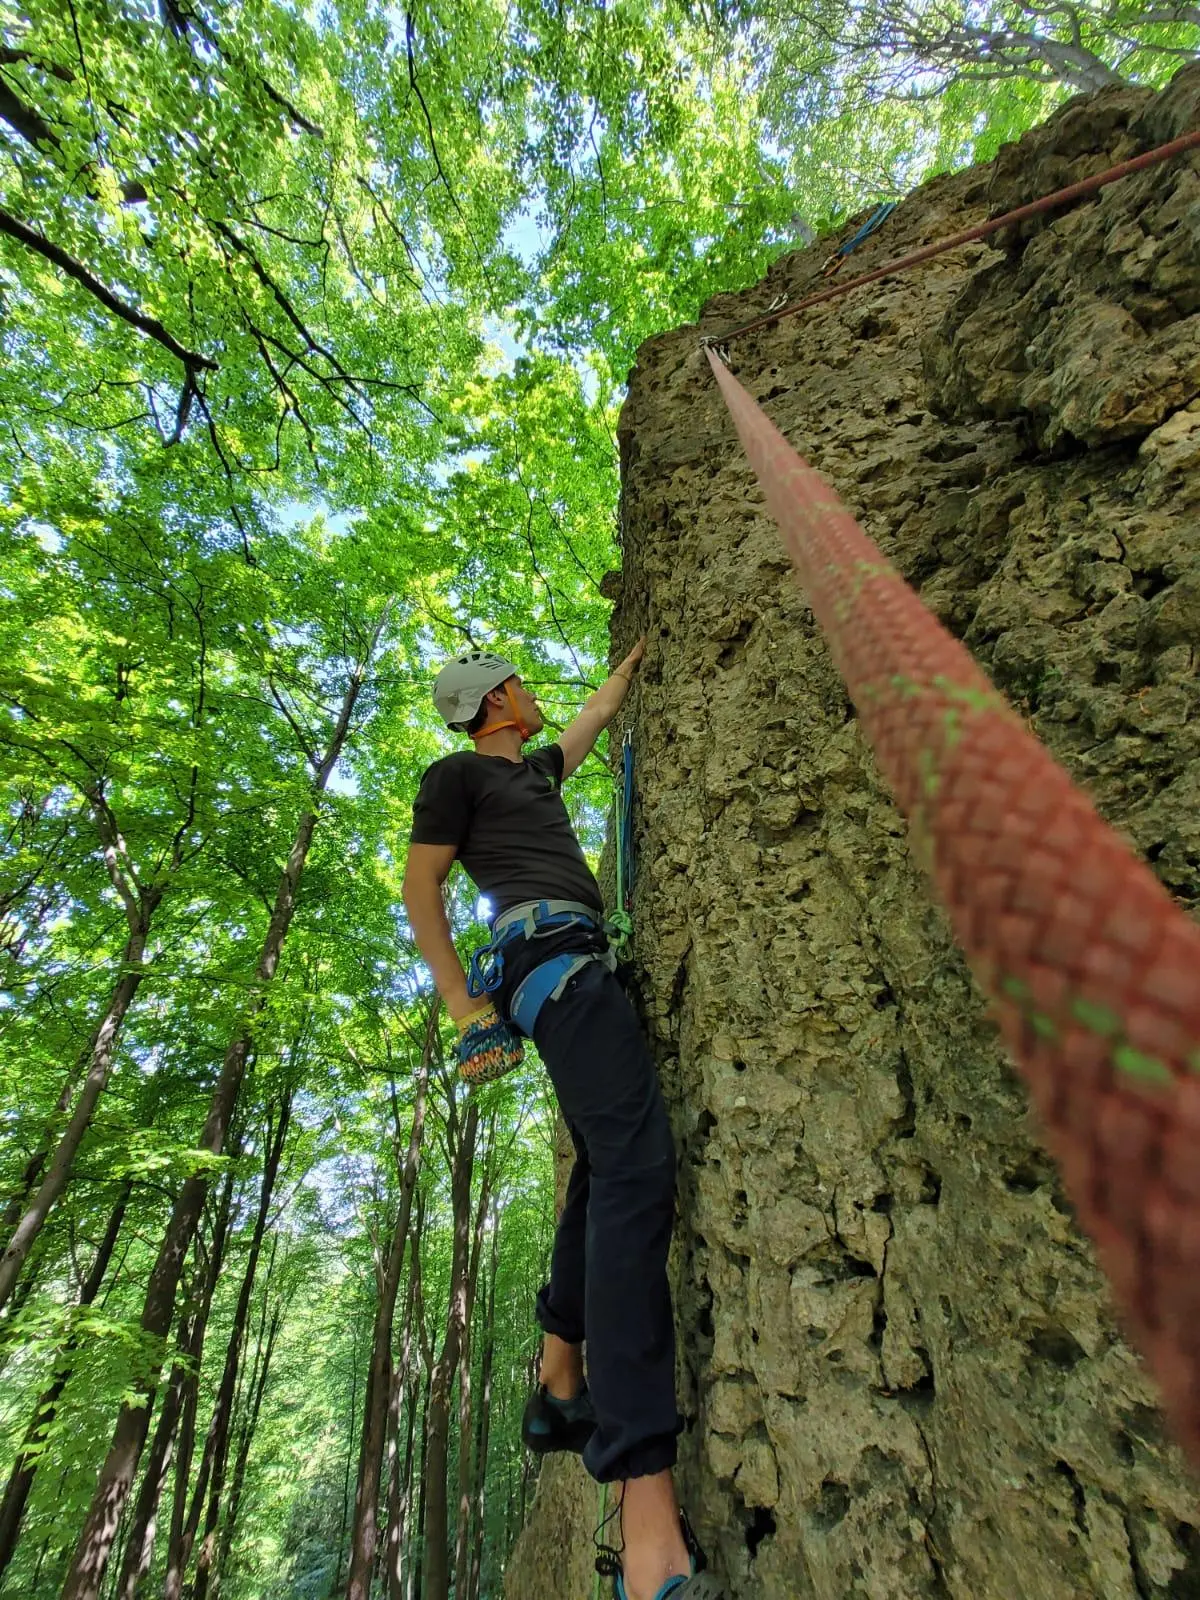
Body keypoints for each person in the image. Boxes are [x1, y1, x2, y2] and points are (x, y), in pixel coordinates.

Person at [402, 647, 724, 1600]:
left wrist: (626, 676)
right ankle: (643, 1515)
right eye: (522, 682)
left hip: (575, 964)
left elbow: (583, 727)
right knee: (638, 1178)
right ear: (496, 699)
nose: (538, 695)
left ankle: (558, 1376)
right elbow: (421, 890)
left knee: (601, 1164)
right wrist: (462, 1007)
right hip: (550, 964)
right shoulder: (456, 774)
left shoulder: (533, 772)